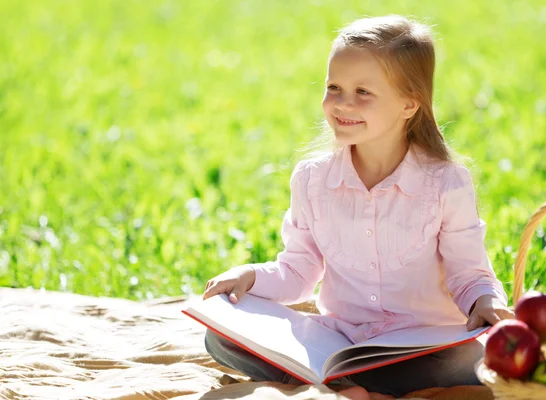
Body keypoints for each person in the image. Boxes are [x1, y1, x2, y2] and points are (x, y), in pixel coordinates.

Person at [202, 14, 514, 399]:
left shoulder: (446, 183)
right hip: (339, 339)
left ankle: (335, 386)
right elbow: (298, 271)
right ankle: (345, 381)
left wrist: (487, 302)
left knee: (468, 360)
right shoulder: (312, 179)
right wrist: (249, 276)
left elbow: (469, 275)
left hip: (422, 346)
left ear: (408, 104)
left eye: (363, 92)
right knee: (220, 339)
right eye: (334, 86)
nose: (342, 103)